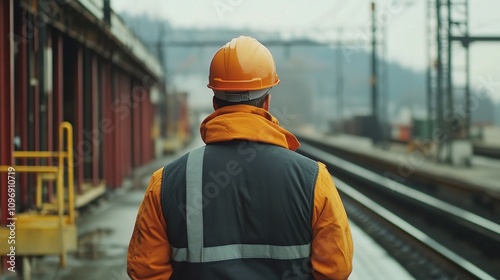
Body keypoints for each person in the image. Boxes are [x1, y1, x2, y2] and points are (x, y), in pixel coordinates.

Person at [127, 36, 353, 280]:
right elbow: (335, 269)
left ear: (215, 103)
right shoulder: (314, 180)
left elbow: (144, 271)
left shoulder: (166, 183)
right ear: (266, 102)